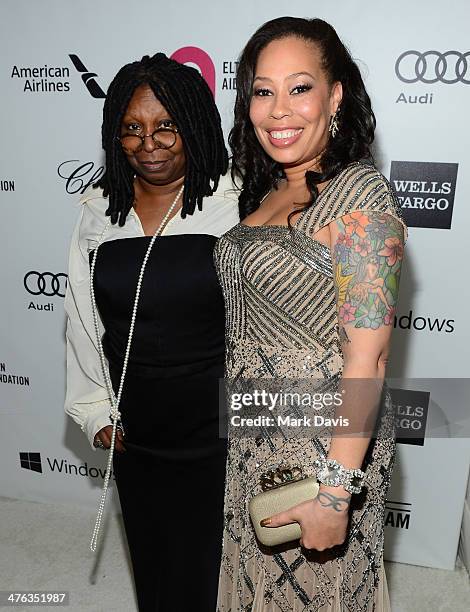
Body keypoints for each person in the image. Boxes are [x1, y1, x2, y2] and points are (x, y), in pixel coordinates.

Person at [214, 17, 407, 611]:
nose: (278, 110)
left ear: (336, 96)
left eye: (299, 88)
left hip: (322, 453)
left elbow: (368, 357)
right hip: (255, 436)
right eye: (262, 91)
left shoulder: (359, 198)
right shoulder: (269, 188)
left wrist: (334, 495)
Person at [64, 53, 238, 612]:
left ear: (194, 125)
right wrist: (94, 410)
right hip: (138, 425)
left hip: (223, 427)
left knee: (221, 570)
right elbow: (82, 319)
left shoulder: (236, 202)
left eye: (166, 125)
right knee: (157, 563)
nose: (149, 143)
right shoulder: (98, 213)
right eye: (132, 129)